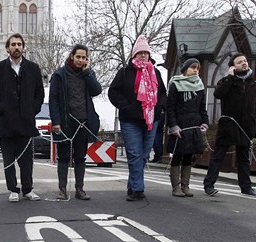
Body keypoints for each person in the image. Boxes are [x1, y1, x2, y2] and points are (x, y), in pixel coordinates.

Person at [0, 33, 45, 202]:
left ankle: (27, 189)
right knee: (8, 160)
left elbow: (40, 93)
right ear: (7, 48)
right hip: (6, 122)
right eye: (13, 44)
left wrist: (33, 109)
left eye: (19, 44)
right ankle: (12, 189)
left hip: (26, 122)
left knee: (27, 161)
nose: (16, 47)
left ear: (23, 47)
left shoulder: (33, 68)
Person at [108, 35, 167, 201]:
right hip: (130, 120)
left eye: (145, 52)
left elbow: (163, 93)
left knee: (143, 155)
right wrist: (127, 107)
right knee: (134, 154)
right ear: (134, 54)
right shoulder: (125, 72)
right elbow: (113, 92)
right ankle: (138, 190)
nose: (143, 55)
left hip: (151, 120)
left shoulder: (155, 72)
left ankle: (132, 184)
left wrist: (159, 108)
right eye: (139, 52)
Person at [203, 53, 256, 197]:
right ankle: (209, 184)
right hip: (229, 124)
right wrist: (230, 77)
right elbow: (218, 94)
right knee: (218, 156)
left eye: (245, 61)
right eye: (240, 62)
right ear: (233, 66)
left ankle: (246, 187)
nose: (244, 63)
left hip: (246, 126)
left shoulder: (255, 83)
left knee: (244, 158)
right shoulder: (227, 81)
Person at [49, 44, 102, 200]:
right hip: (65, 122)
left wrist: (87, 73)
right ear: (72, 56)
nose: (80, 60)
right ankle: (62, 189)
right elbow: (53, 100)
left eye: (84, 58)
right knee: (63, 156)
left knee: (80, 157)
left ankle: (80, 189)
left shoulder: (88, 74)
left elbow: (96, 91)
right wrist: (56, 121)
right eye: (78, 57)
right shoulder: (59, 74)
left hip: (83, 122)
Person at [166, 58, 209, 197]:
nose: (195, 70)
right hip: (180, 124)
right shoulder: (175, 84)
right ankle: (175, 187)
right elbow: (170, 107)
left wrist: (205, 122)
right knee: (177, 155)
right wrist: (173, 125)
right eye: (192, 67)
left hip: (194, 124)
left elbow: (203, 107)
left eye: (197, 68)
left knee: (189, 156)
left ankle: (185, 185)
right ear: (185, 69)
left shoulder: (200, 86)